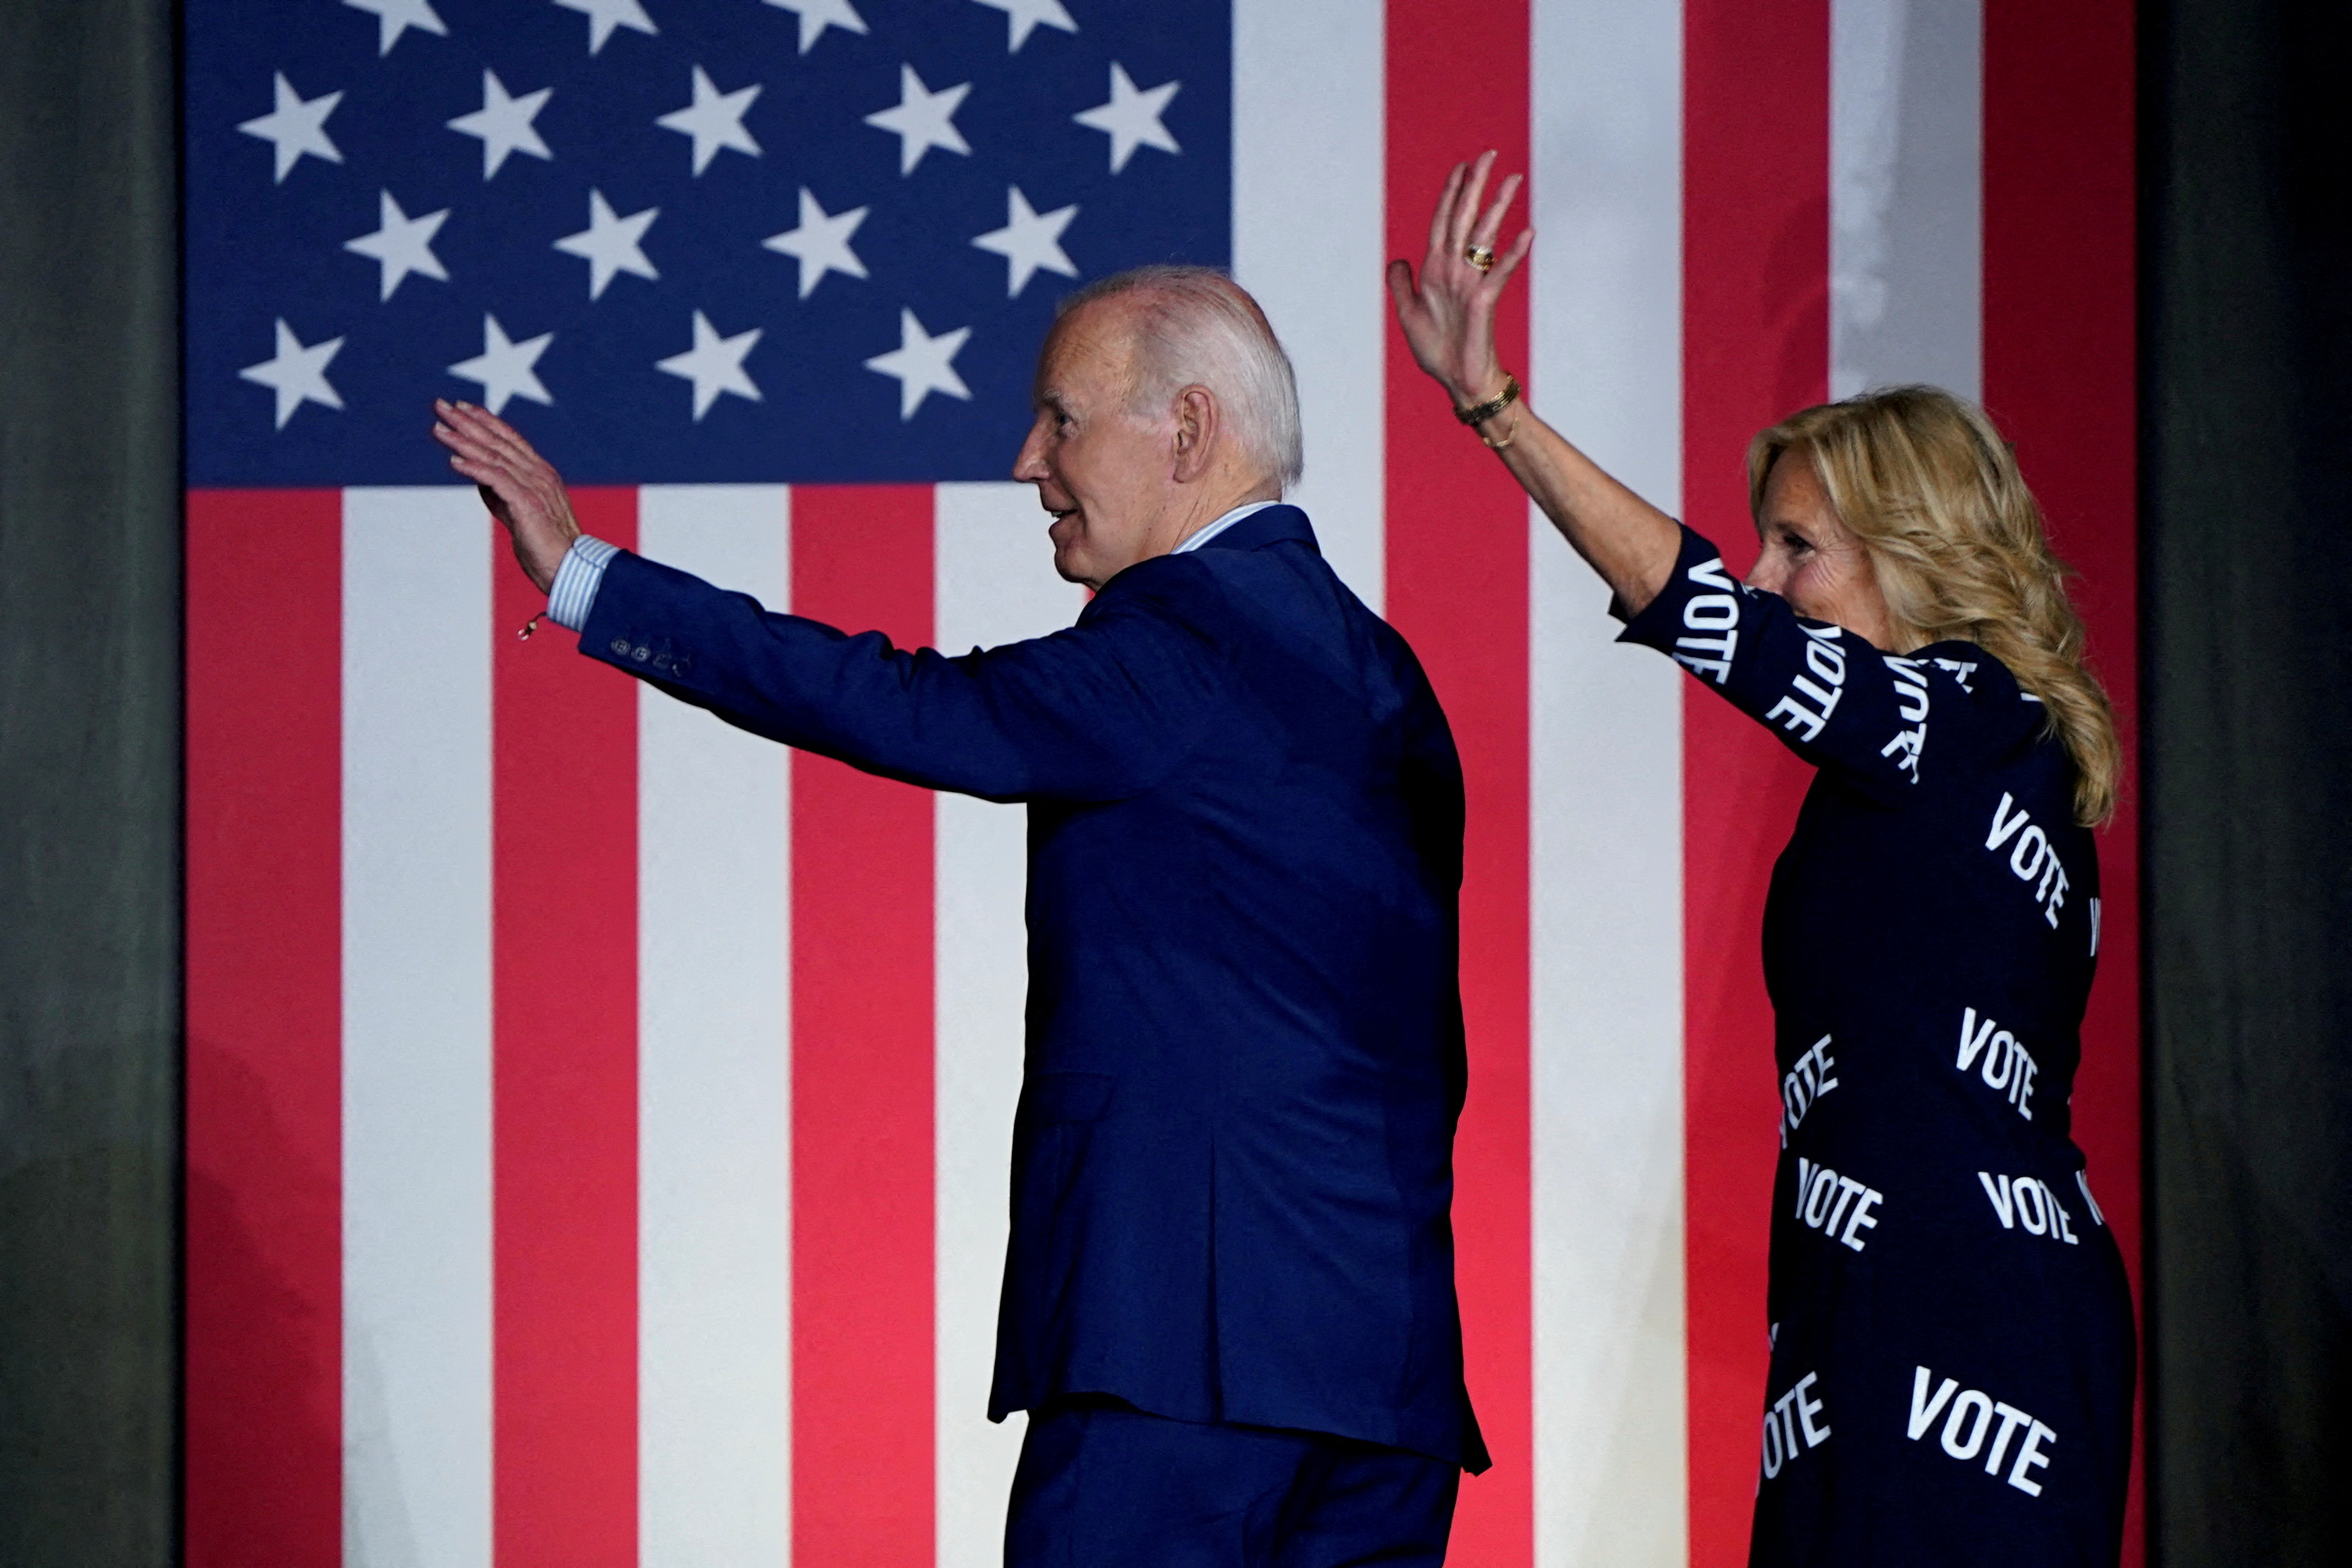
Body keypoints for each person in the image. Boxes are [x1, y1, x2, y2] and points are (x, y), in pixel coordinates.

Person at [434, 265, 1486, 1567]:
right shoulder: (1386, 669)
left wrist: (592, 577)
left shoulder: (1185, 638)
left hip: (1186, 1357)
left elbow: (910, 706)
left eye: (1060, 418)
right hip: (1382, 1378)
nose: (1025, 461)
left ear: (1190, 431)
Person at [1388, 154, 2134, 1565]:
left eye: (1797, 545)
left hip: (1966, 1321)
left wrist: (1495, 412)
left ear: (1914, 556)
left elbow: (1698, 613)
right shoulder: (1903, 770)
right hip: (1856, 1308)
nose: (1766, 576)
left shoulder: (1972, 717)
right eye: (1762, 544)